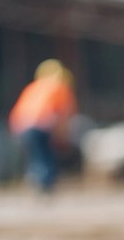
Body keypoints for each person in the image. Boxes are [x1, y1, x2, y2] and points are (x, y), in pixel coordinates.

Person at [9, 59, 78, 193]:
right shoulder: (60, 88)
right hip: (42, 126)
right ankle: (45, 183)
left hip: (21, 126)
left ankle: (36, 177)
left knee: (36, 156)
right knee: (45, 155)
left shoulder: (33, 87)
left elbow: (20, 111)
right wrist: (64, 137)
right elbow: (63, 116)